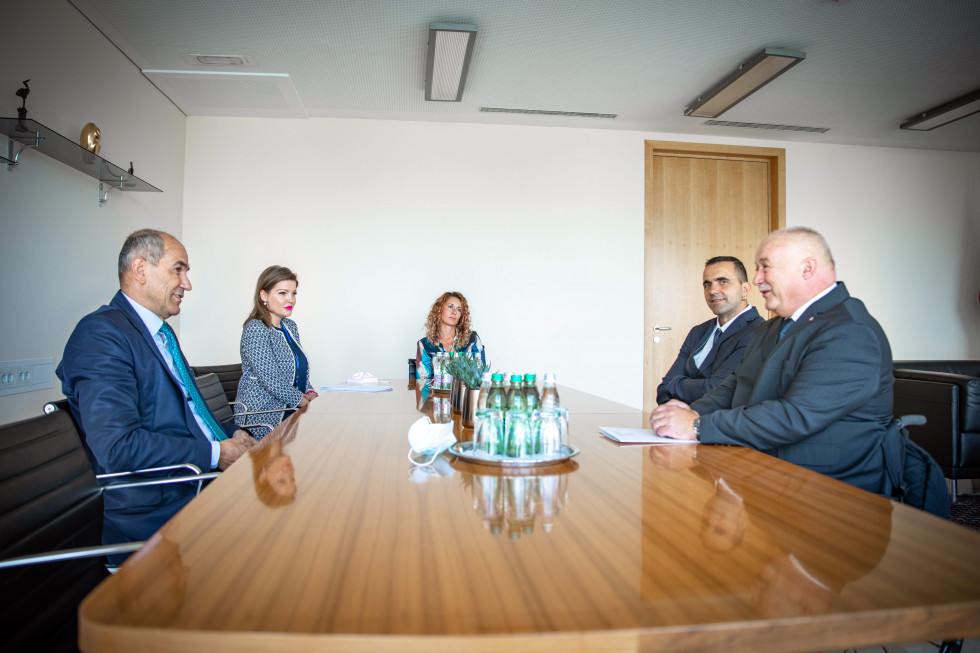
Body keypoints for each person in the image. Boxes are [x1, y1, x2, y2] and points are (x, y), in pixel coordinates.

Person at [649, 227, 894, 493]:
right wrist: (692, 411)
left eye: (765, 267)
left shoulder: (850, 331)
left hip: (829, 491)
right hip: (765, 471)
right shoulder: (772, 327)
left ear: (807, 269)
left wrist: (698, 426)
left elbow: (795, 416)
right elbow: (735, 386)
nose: (756, 279)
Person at [57, 229, 256, 550]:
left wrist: (231, 434)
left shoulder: (161, 334)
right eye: (178, 269)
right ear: (140, 270)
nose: (187, 283)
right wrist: (217, 454)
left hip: (198, 485)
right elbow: (119, 447)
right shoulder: (100, 334)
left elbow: (190, 415)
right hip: (161, 509)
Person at [656, 256, 765, 404]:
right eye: (707, 285)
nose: (713, 290)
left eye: (723, 282)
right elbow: (663, 390)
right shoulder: (698, 332)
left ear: (745, 289)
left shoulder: (758, 331)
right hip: (679, 422)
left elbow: (716, 391)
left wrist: (676, 384)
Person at [235, 265, 317, 438]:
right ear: (264, 295)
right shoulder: (256, 329)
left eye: (294, 293)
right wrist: (302, 401)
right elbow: (271, 379)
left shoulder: (290, 327)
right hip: (263, 417)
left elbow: (297, 370)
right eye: (282, 293)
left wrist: (310, 392)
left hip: (289, 411)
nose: (291, 300)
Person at [415, 291, 486, 379]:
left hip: (464, 392)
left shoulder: (472, 339)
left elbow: (481, 376)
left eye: (459, 309)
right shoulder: (425, 344)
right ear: (439, 310)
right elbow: (422, 381)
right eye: (450, 306)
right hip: (436, 392)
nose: (454, 312)